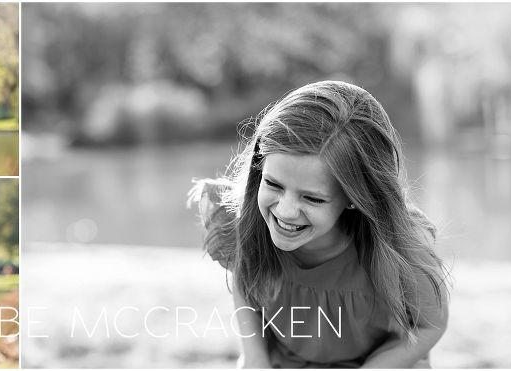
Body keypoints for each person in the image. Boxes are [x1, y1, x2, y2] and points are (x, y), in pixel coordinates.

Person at [189, 81, 450, 368]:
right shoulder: (243, 221)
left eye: (312, 199)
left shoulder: (403, 245)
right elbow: (246, 282)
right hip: (287, 361)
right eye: (273, 184)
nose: (286, 211)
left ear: (355, 197)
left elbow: (429, 326)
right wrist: (254, 359)